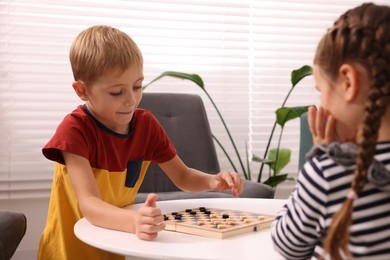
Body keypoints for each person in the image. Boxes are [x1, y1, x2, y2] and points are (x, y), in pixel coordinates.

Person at [38, 25, 244, 260]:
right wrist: (135, 220)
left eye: (137, 86)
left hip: (114, 244)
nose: (131, 100)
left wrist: (212, 181)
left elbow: (183, 176)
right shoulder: (75, 130)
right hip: (68, 250)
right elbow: (90, 204)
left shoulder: (146, 126)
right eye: (117, 92)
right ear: (82, 90)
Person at [271, 3, 390, 260]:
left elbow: (287, 245)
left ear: (348, 82)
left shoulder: (328, 172)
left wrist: (319, 159)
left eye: (320, 90)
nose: (321, 104)